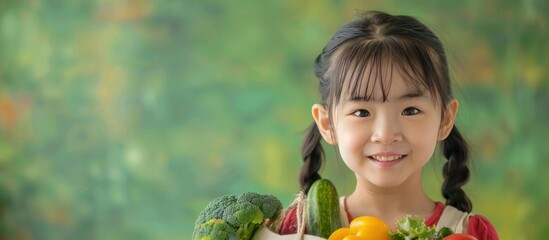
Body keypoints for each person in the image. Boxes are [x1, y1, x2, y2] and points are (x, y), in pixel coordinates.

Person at [278, 11, 498, 239]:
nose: (385, 134)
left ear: (445, 119)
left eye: (410, 110)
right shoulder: (296, 229)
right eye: (361, 112)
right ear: (327, 124)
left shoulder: (470, 232)